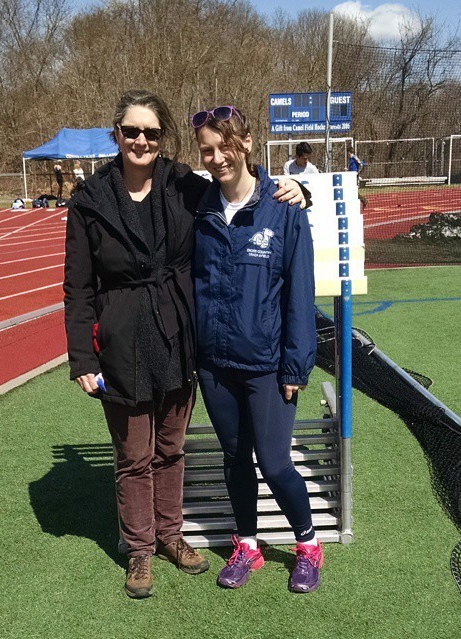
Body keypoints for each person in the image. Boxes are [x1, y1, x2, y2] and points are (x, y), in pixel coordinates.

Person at [63, 90, 307, 600]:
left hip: (178, 338)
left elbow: (242, 186)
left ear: (162, 138)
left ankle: (172, 536)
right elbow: (78, 287)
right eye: (132, 131)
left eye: (151, 132)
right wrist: (82, 357)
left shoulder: (183, 186)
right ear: (117, 135)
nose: (141, 140)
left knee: (170, 450)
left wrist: (296, 190)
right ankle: (139, 550)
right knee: (134, 456)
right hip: (122, 340)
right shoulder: (89, 199)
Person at [190, 105, 322, 593]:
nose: (217, 157)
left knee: (275, 462)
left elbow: (299, 294)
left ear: (246, 143)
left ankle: (307, 545)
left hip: (268, 365)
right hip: (215, 364)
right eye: (207, 149)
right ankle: (247, 545)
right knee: (234, 458)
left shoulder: (284, 208)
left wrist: (296, 364)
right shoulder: (198, 208)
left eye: (225, 145)